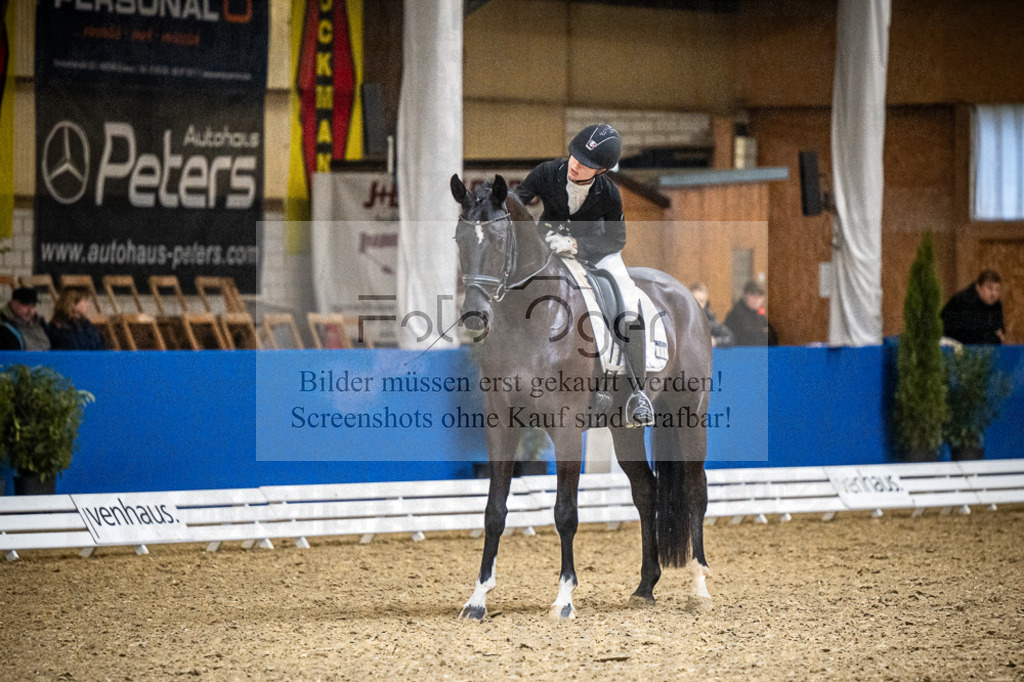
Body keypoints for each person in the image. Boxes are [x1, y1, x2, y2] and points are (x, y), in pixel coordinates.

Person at [514, 123, 653, 426]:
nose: (576, 166)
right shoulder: (547, 173)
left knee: (629, 304)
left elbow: (617, 239)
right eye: (576, 157)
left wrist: (577, 244)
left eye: (587, 163)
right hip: (550, 248)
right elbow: (515, 202)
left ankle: (637, 393)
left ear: (601, 170)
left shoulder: (608, 192)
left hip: (598, 251)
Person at [941, 270, 1005, 344]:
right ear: (978, 287)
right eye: (989, 288)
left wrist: (996, 336)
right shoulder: (964, 301)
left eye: (997, 289)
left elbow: (1000, 331)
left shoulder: (996, 304)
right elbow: (971, 334)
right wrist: (993, 336)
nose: (994, 293)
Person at [724, 281, 778, 346]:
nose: (756, 299)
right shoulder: (736, 314)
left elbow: (774, 338)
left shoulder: (761, 316)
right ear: (745, 295)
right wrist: (763, 332)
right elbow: (743, 338)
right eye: (753, 295)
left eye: (760, 296)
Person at [689, 282, 735, 348]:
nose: (698, 304)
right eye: (695, 300)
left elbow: (730, 337)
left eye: (702, 301)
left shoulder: (709, 320)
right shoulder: (681, 319)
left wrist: (715, 341)